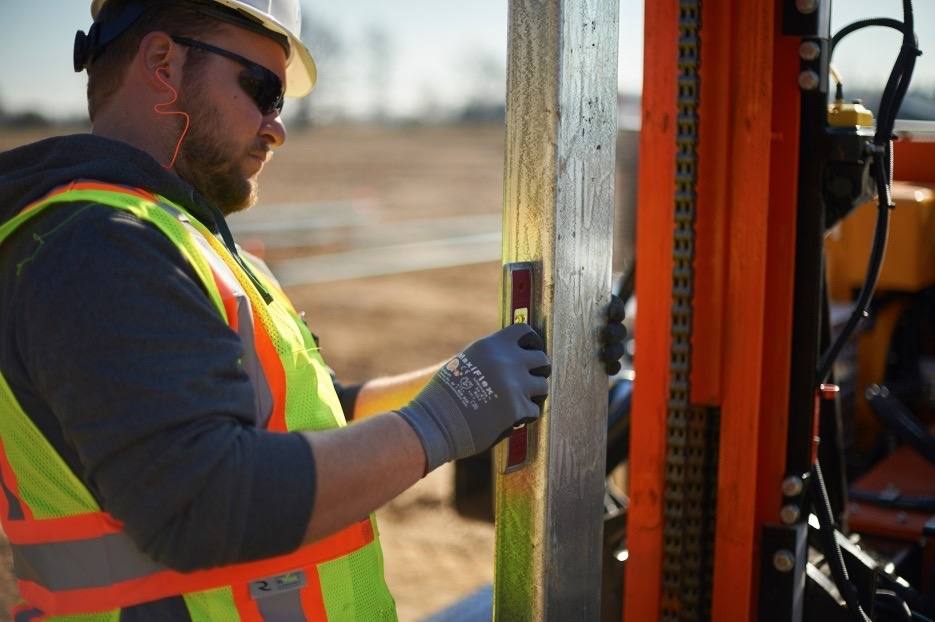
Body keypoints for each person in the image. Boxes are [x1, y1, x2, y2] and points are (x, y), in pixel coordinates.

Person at [0, 0, 626, 619]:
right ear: (162, 64)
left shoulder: (168, 237)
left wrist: (498, 375)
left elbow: (318, 414)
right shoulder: (101, 245)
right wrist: (445, 418)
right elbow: (203, 505)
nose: (277, 126)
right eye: (263, 90)